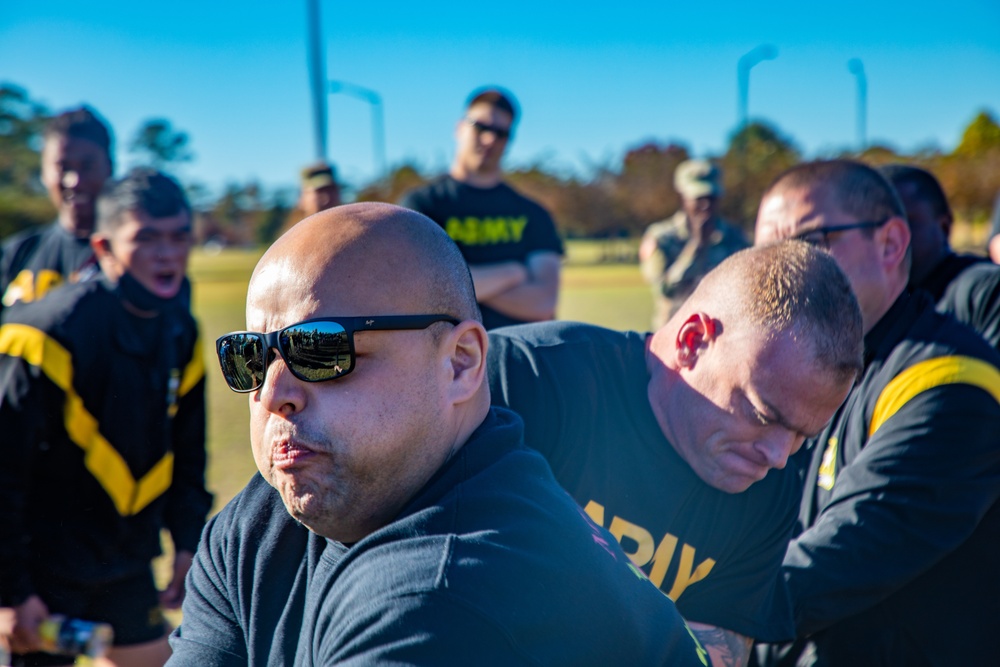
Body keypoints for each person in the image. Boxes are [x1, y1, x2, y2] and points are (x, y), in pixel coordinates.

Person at [167, 202, 705, 666]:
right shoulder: (256, 530)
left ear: (460, 363)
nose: (271, 392)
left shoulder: (443, 595)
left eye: (320, 349)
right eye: (251, 357)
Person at [488, 241, 863, 667]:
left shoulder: (770, 493)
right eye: (762, 414)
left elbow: (717, 653)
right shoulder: (525, 381)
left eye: (802, 436)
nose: (778, 455)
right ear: (693, 341)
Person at [754, 159, 1000, 666]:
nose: (782, 273)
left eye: (810, 244)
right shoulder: (827, 369)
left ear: (890, 243)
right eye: (765, 255)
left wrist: (698, 621)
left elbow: (841, 556)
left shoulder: (951, 383)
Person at [0, 168, 212, 667]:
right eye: (147, 239)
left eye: (179, 237)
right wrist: (8, 591)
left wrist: (187, 541)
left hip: (126, 563)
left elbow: (188, 450)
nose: (168, 254)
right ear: (103, 246)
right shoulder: (42, 333)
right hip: (40, 573)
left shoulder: (182, 330)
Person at [400, 88, 563, 330]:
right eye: (481, 127)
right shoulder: (421, 207)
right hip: (447, 363)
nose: (490, 139)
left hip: (519, 358)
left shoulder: (533, 214)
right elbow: (418, 292)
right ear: (459, 128)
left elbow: (543, 302)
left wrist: (456, 286)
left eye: (501, 133)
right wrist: (512, 272)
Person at [1, 106, 114, 315]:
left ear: (109, 168)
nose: (74, 181)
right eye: (63, 167)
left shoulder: (132, 259)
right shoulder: (15, 255)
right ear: (43, 172)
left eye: (87, 166)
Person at [881, 164, 1000, 349]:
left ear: (944, 226)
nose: (890, 239)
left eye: (904, 222)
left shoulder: (986, 290)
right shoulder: (877, 309)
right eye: (876, 227)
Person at [638, 159, 749, 329]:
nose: (706, 205)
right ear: (682, 197)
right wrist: (697, 246)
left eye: (711, 198)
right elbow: (666, 291)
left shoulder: (735, 237)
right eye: (699, 198)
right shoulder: (661, 237)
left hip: (724, 336)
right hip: (673, 335)